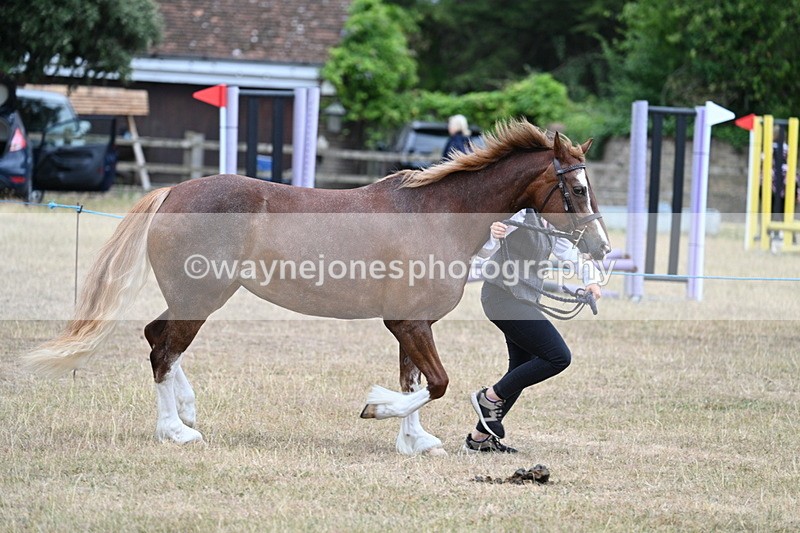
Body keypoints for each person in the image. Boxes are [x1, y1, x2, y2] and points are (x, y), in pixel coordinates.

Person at [463, 209, 603, 453]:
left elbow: (569, 253)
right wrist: (494, 236)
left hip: (523, 299)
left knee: (520, 368)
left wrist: (591, 280)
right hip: (502, 297)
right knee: (558, 356)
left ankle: (478, 440)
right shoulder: (520, 215)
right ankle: (490, 397)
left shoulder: (552, 223)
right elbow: (484, 251)